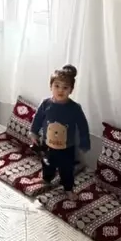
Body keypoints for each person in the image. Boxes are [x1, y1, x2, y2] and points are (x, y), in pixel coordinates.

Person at [29, 64, 90, 195]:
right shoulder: (46, 104)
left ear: (71, 90)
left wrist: (84, 142)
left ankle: (68, 188)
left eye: (65, 87)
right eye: (57, 86)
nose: (60, 90)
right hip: (47, 144)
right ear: (51, 86)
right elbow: (37, 119)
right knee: (47, 164)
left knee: (66, 169)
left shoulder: (75, 108)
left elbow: (83, 126)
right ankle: (46, 179)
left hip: (66, 148)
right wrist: (33, 133)